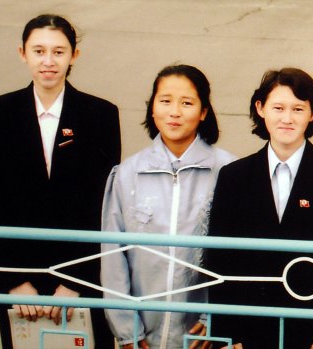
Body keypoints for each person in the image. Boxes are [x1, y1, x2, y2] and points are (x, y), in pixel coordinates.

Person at [0, 14, 121, 349]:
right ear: (22, 53)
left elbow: (101, 206)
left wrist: (74, 283)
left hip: (80, 282)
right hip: (19, 285)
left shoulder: (100, 115)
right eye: (39, 51)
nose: (48, 61)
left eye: (58, 52)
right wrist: (15, 280)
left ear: (75, 55)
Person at [205, 67, 313, 349]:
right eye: (278, 107)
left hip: (310, 329)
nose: (287, 118)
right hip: (247, 328)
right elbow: (219, 258)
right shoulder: (234, 176)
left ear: (312, 114)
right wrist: (229, 335)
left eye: (298, 109)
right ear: (261, 108)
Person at [101, 64, 235, 349]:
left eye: (187, 103)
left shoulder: (229, 171)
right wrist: (127, 331)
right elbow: (113, 258)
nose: (174, 112)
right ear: (152, 108)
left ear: (203, 112)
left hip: (205, 337)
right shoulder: (127, 174)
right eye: (165, 101)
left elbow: (238, 258)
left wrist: (215, 320)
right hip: (142, 337)